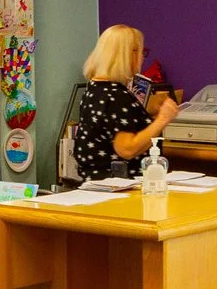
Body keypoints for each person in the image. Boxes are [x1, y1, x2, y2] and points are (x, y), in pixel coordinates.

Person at [73, 24, 181, 181]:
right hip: (119, 186)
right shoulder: (116, 96)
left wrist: (148, 115)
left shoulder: (95, 89)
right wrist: (162, 120)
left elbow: (112, 128)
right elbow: (127, 149)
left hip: (96, 183)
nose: (143, 58)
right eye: (141, 52)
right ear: (128, 55)